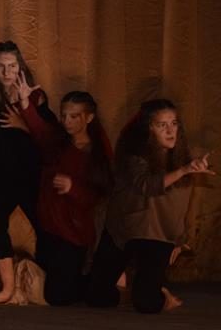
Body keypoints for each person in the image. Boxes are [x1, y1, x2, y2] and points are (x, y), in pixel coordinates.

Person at [86, 99, 213, 314]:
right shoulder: (134, 156)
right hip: (125, 229)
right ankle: (129, 291)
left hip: (157, 235)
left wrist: (179, 240)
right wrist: (184, 171)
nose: (170, 131)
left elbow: (181, 207)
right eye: (162, 125)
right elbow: (146, 185)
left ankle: (155, 293)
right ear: (148, 128)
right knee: (97, 297)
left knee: (147, 303)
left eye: (174, 123)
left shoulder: (183, 159)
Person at [17, 81, 113, 306]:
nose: (67, 121)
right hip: (49, 226)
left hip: (73, 232)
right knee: (50, 284)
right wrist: (24, 101)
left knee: (59, 295)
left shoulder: (95, 153)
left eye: (74, 116)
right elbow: (40, 130)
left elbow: (98, 195)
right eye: (64, 116)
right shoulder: (58, 140)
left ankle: (106, 288)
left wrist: (73, 188)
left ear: (89, 118)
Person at [0, 40, 54, 305]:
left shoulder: (35, 96)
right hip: (2, 173)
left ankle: (47, 285)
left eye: (12, 66)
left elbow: (51, 136)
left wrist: (24, 120)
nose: (7, 72)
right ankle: (7, 287)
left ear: (20, 67)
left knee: (44, 226)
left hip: (31, 172)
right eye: (1, 66)